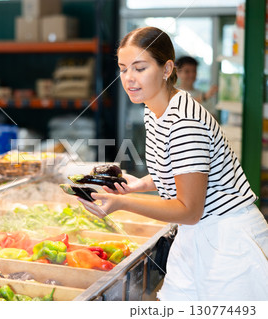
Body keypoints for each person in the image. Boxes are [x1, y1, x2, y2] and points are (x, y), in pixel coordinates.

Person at [78, 26, 268, 301]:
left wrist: (122, 204)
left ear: (167, 69)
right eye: (123, 68)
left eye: (140, 68)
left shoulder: (184, 121)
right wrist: (140, 184)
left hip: (227, 240)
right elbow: (181, 170)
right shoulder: (154, 110)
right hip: (194, 234)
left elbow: (189, 209)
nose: (129, 78)